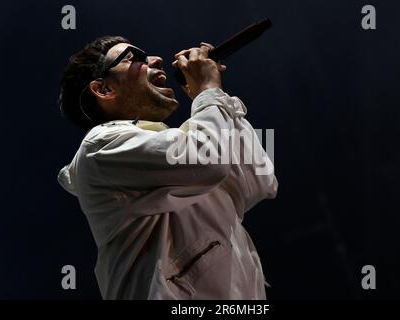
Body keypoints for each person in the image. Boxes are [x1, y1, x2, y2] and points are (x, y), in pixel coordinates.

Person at [57, 35, 278, 299]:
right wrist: (207, 92)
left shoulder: (178, 150)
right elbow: (207, 162)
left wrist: (216, 96)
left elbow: (260, 180)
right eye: (134, 58)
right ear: (104, 90)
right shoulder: (100, 147)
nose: (157, 60)